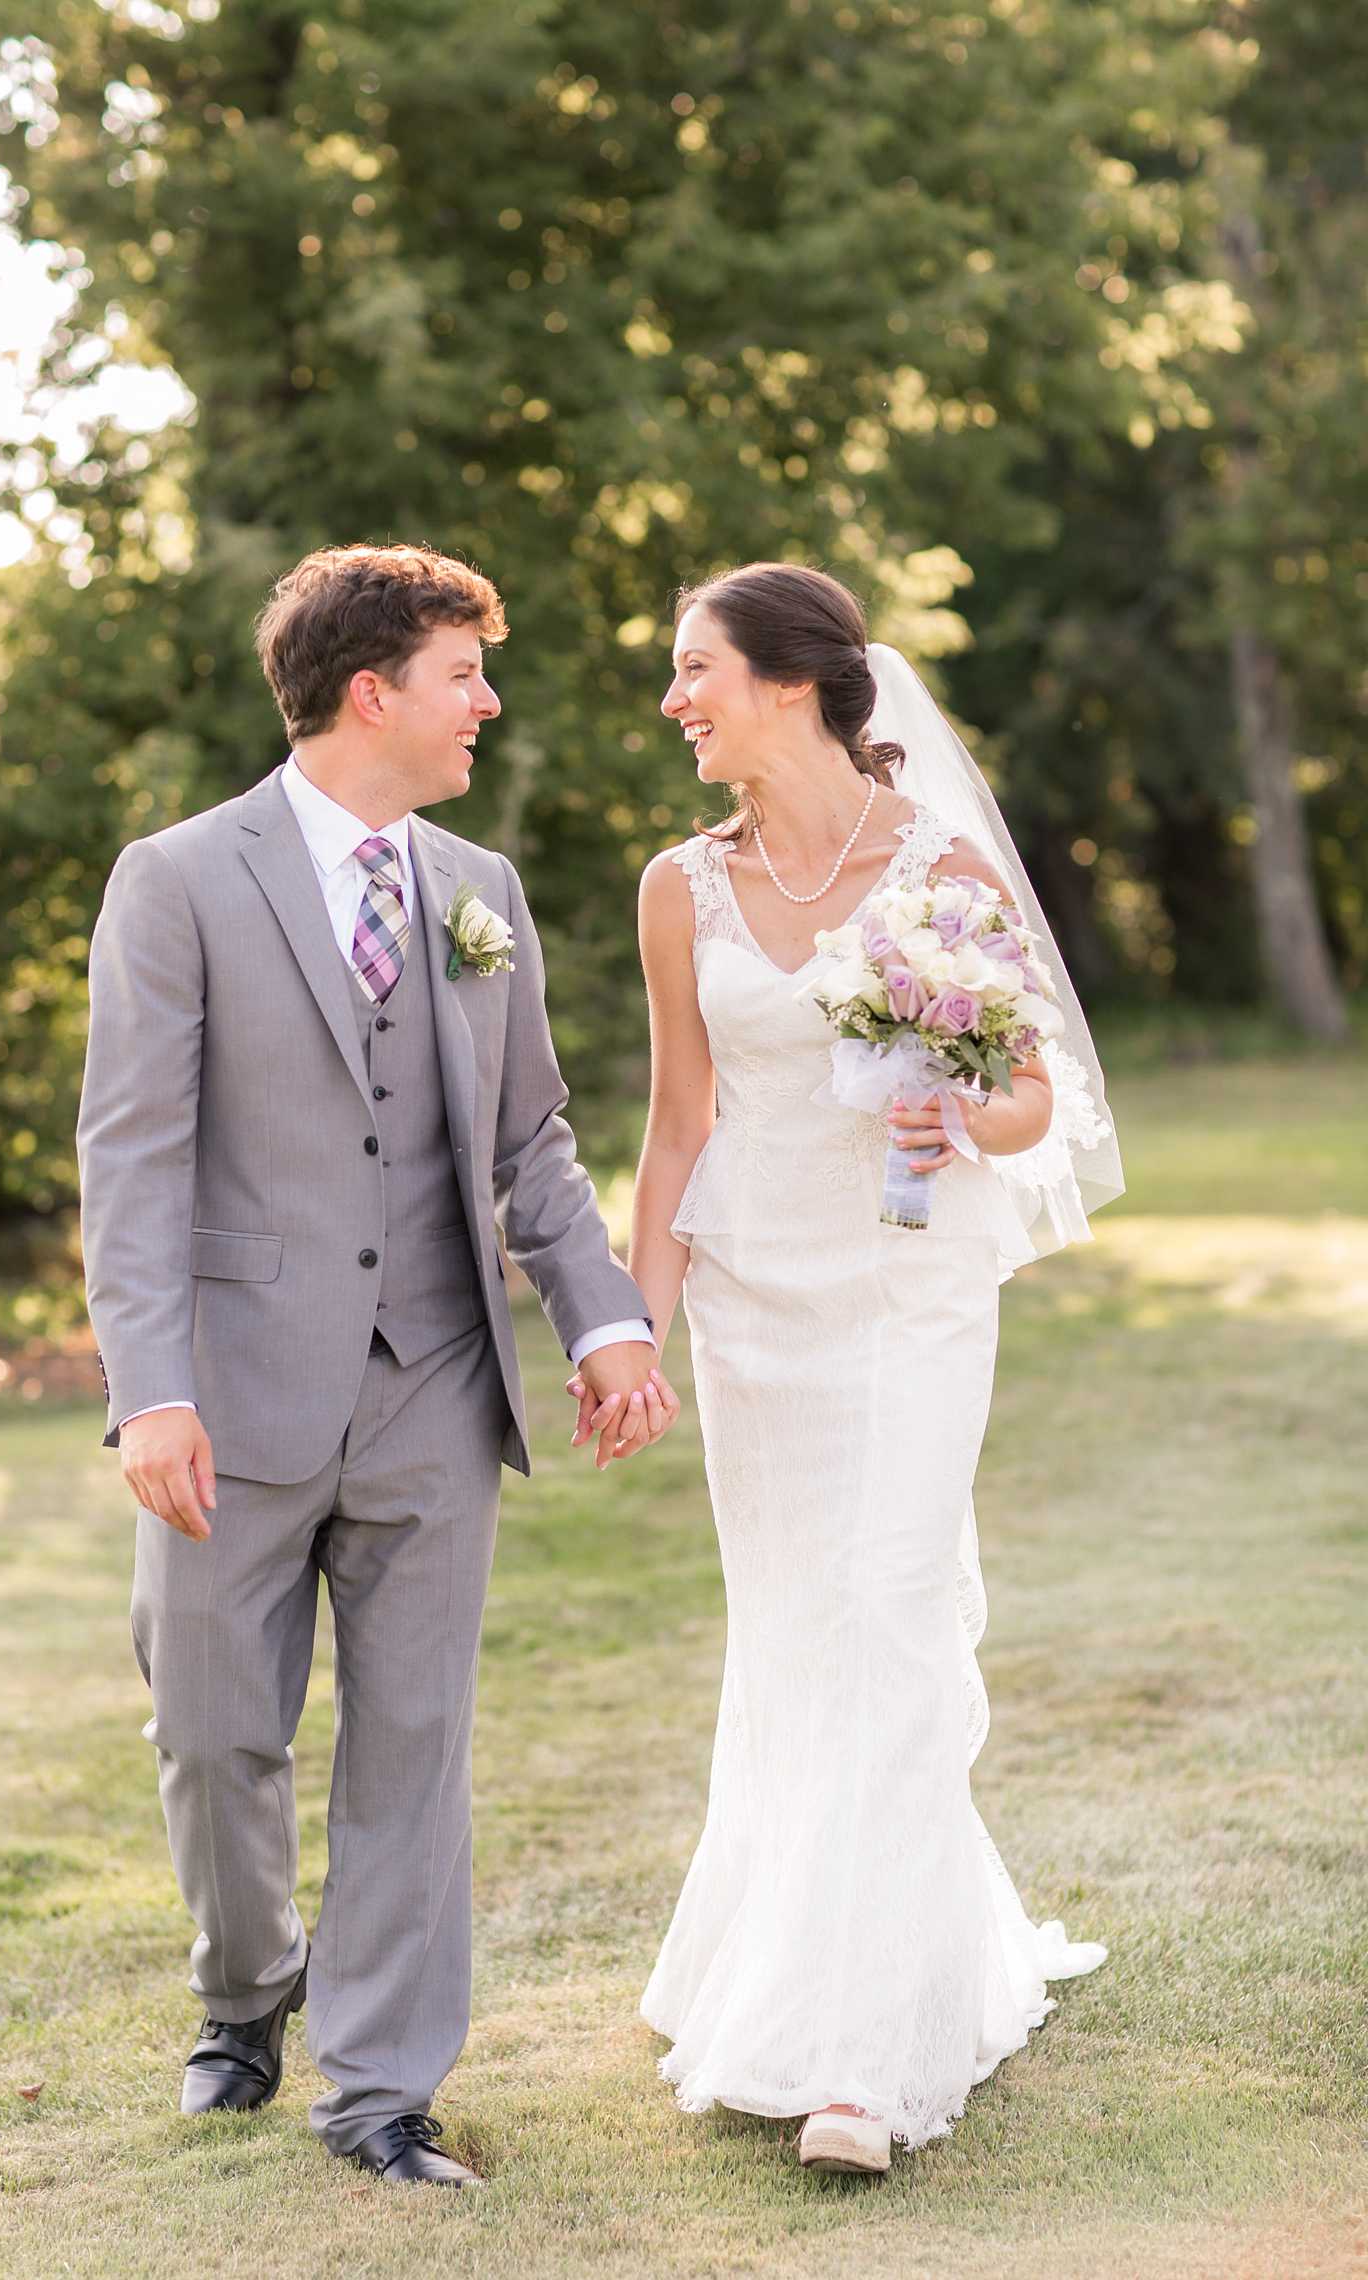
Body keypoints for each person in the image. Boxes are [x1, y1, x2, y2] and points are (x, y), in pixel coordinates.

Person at [77, 542, 679, 2189]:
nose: (486, 701)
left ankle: (382, 2092)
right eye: (463, 673)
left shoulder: (478, 888)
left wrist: (606, 1313)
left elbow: (531, 1138)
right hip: (231, 1386)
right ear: (371, 691)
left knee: (414, 1745)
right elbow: (132, 1156)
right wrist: (153, 1391)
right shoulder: (181, 879)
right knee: (214, 1738)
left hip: (434, 1384)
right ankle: (244, 1994)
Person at [586, 562, 1120, 2175]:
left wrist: (958, 1110)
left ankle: (866, 2068)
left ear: (797, 682)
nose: (676, 700)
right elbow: (681, 1124)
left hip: (909, 1296)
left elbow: (1031, 1098)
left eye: (697, 670)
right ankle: (801, 1950)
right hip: (762, 1314)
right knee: (801, 1634)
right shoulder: (678, 886)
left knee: (891, 1614)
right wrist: (634, 1328)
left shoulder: (940, 863)